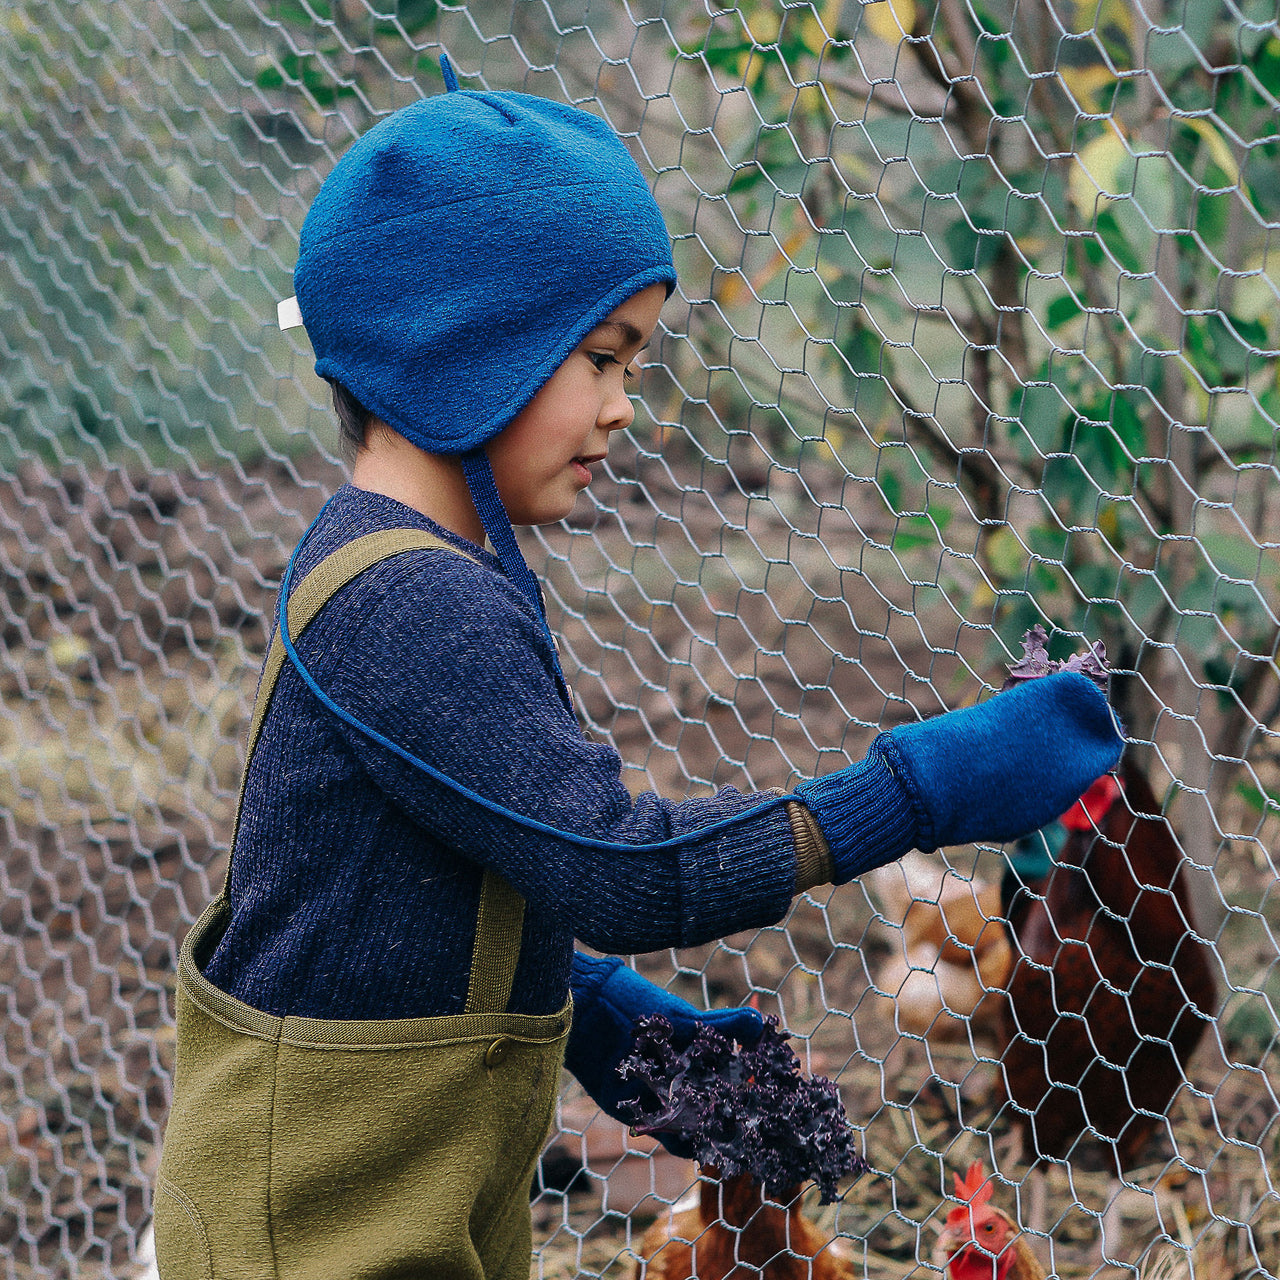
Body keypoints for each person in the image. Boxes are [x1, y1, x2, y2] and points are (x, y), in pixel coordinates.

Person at [152, 64, 1124, 1280]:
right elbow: (616, 862)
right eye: (602, 358)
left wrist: (602, 1011)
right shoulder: (410, 601)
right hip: (310, 1228)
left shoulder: (411, 570)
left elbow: (424, 888)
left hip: (381, 1191)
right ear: (467, 346)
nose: (623, 409)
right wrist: (924, 787)